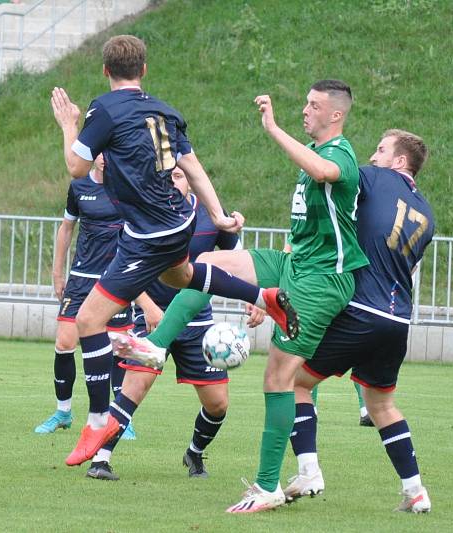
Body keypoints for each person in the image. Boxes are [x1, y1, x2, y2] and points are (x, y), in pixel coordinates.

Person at [115, 79, 369, 513]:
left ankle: (268, 486)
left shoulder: (338, 154)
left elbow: (325, 174)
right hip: (296, 266)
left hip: (324, 281)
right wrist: (261, 290)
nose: (305, 110)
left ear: (336, 115)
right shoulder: (317, 155)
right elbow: (307, 228)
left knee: (279, 379)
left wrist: (273, 129)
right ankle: (156, 349)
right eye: (305, 103)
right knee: (214, 265)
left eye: (313, 105)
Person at [50, 34, 299, 469]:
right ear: (144, 70)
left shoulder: (103, 110)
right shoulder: (167, 111)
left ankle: (96, 422)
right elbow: (193, 167)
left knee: (89, 321)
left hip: (146, 234)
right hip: (178, 222)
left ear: (105, 71)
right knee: (181, 276)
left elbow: (77, 167)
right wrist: (218, 216)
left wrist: (69, 123)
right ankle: (264, 297)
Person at [284, 130, 435, 513]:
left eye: (381, 149)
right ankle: (415, 491)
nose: (372, 154)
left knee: (292, 381)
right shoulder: (427, 213)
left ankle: (308, 471)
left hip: (361, 309)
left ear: (400, 162)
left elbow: (330, 173)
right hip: (398, 319)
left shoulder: (374, 177)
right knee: (382, 405)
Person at [85, 167, 264, 481]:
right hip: (154, 317)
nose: (172, 180)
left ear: (192, 181)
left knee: (218, 404)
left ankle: (194, 453)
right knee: (135, 387)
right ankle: (100, 459)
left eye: (180, 175)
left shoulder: (213, 216)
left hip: (198, 322)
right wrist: (148, 306)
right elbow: (123, 268)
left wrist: (253, 298)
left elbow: (239, 261)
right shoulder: (145, 213)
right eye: (167, 176)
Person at [34, 152, 136, 441]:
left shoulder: (128, 188)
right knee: (64, 343)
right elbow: (66, 228)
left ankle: (119, 418)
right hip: (80, 280)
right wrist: (57, 273)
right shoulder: (79, 186)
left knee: (118, 347)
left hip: (115, 281)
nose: (105, 158)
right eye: (100, 153)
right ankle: (63, 412)